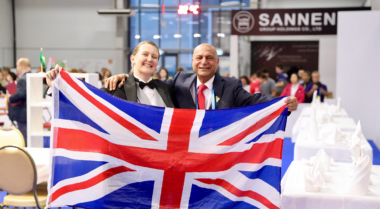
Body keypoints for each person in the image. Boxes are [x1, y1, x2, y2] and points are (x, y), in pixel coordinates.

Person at [105, 43, 298, 111]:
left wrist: (283, 102)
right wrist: (124, 76)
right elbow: (144, 80)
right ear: (192, 61)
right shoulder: (178, 82)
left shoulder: (231, 86)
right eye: (199, 57)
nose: (204, 62)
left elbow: (255, 100)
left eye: (209, 58)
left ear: (217, 62)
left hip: (217, 154)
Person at [46, 41, 176, 108]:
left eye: (154, 57)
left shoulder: (168, 88)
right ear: (133, 59)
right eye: (145, 54)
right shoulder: (116, 87)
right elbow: (87, 101)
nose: (150, 59)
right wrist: (56, 86)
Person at [7, 58, 31, 145]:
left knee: (24, 137)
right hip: (29, 113)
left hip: (22, 113)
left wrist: (10, 97)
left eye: (16, 66)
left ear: (21, 65)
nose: (16, 68)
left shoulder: (22, 79)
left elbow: (21, 94)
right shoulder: (31, 76)